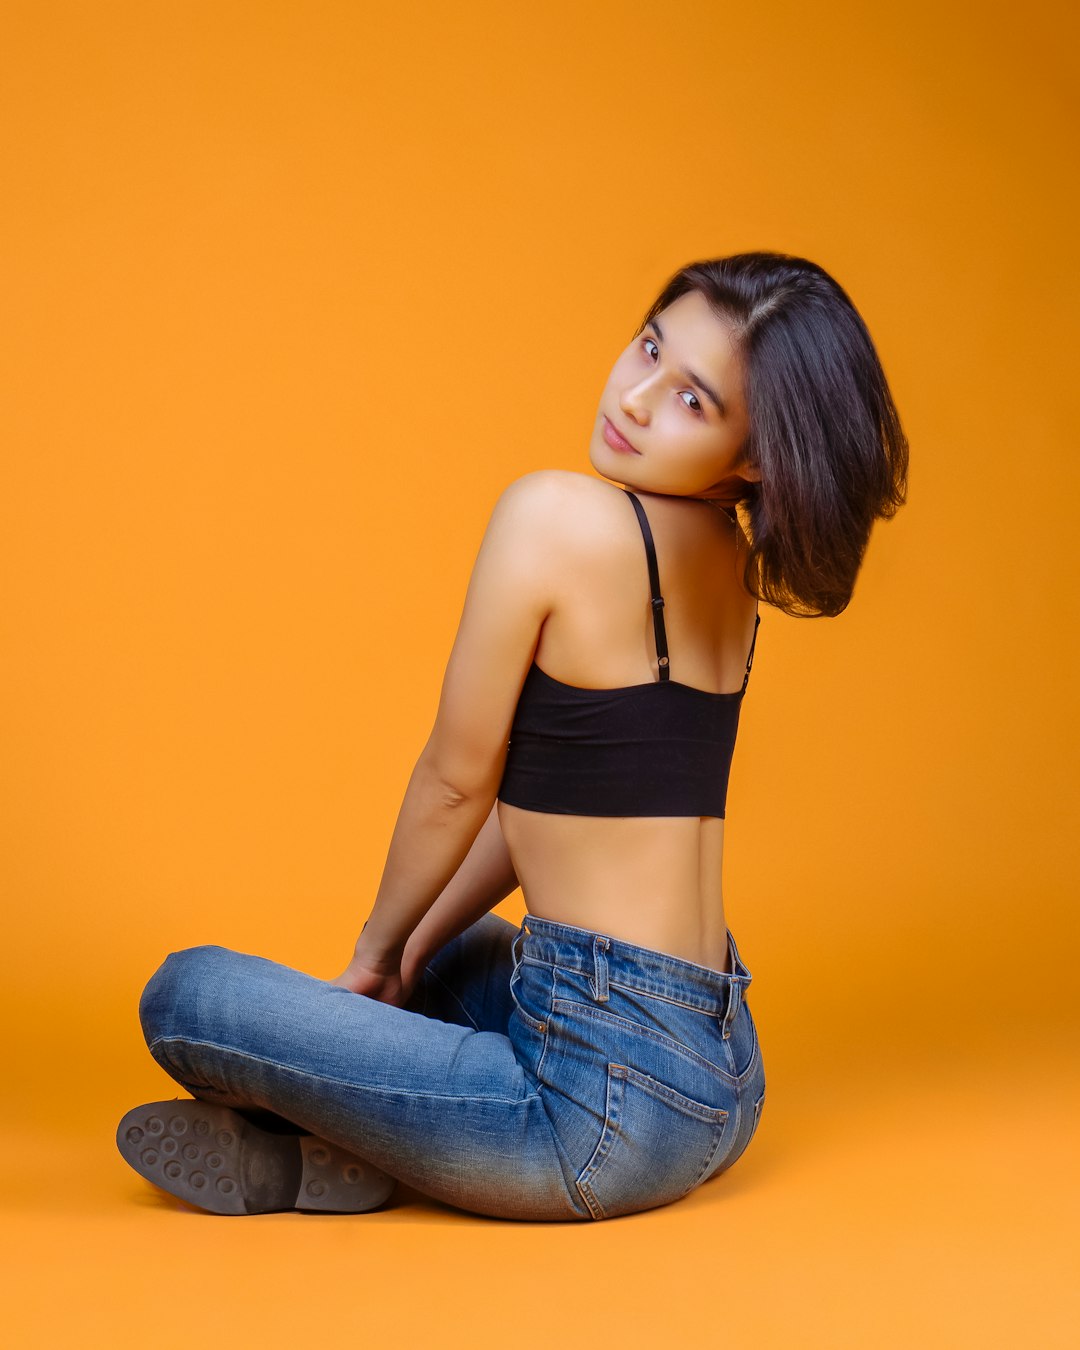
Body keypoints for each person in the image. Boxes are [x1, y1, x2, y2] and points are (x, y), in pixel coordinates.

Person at [117, 252, 908, 1221]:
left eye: (694, 402)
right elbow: (548, 806)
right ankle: (345, 1142)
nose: (637, 396)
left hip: (592, 1122)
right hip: (724, 1073)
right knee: (438, 957)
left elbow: (457, 782)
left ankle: (341, 1136)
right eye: (649, 346)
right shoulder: (735, 576)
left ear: (753, 457)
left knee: (187, 998)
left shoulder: (554, 519)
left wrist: (369, 960)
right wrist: (409, 955)